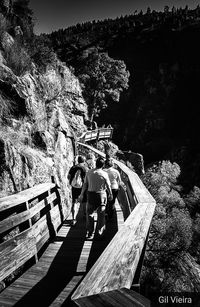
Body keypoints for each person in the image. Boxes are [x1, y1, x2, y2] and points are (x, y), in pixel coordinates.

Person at [79, 157, 113, 239]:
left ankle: (90, 232)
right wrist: (110, 194)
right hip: (101, 195)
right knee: (101, 215)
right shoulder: (104, 174)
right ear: (103, 165)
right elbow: (108, 185)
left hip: (90, 195)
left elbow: (85, 184)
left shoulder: (89, 172)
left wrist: (82, 194)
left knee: (90, 214)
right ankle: (99, 232)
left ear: (96, 163)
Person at [68, 155, 87, 225]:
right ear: (84, 161)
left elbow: (68, 177)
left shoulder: (73, 167)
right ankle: (85, 215)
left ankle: (73, 219)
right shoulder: (85, 168)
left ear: (78, 161)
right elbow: (86, 180)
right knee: (84, 201)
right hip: (82, 187)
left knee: (74, 202)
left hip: (74, 187)